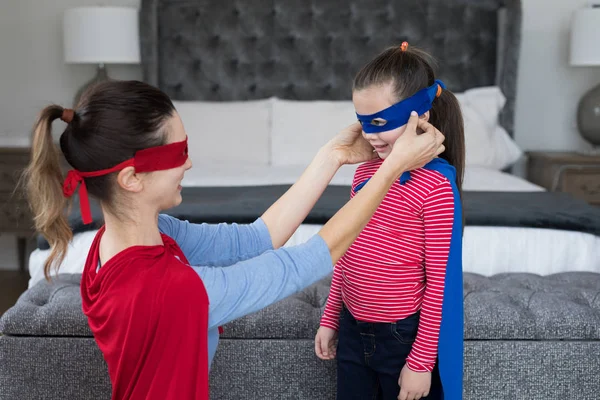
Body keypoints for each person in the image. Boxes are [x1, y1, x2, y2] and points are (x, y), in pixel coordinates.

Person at [23, 79, 444, 400]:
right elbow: (312, 258)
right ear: (132, 178)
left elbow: (254, 240)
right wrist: (391, 172)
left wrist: (331, 157)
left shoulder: (124, 242)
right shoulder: (170, 288)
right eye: (176, 153)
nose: (189, 162)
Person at [314, 42, 465, 400]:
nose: (369, 135)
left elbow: (439, 282)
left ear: (421, 116)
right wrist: (331, 316)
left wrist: (421, 363)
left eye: (380, 122)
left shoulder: (436, 187)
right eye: (362, 121)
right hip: (353, 328)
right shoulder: (364, 173)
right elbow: (346, 249)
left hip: (402, 338)